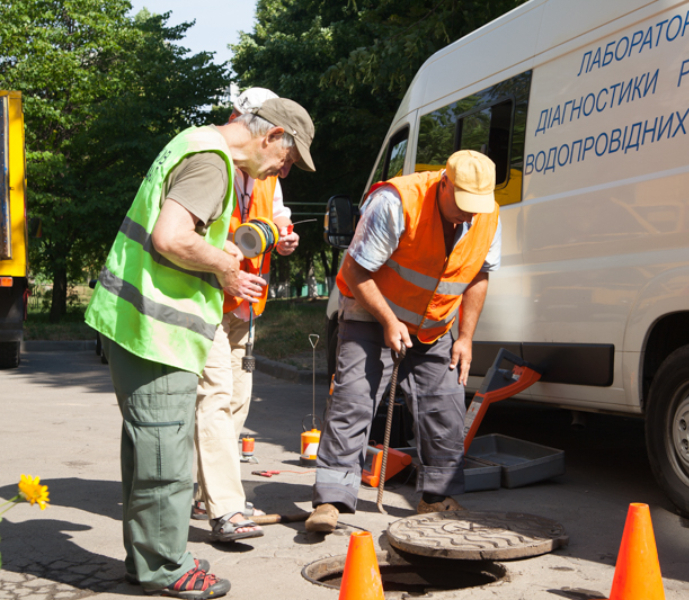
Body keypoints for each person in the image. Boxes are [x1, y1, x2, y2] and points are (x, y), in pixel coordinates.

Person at [85, 97, 315, 596]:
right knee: (165, 456)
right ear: (272, 135)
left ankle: (148, 560)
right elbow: (171, 237)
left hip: (139, 325)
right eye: (288, 158)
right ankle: (165, 567)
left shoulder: (196, 144)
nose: (284, 169)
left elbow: (174, 235)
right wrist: (225, 265)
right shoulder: (212, 162)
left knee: (149, 451)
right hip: (156, 332)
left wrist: (217, 254)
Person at [305, 150, 501, 533]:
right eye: (462, 205)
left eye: (475, 207)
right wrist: (390, 321)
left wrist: (465, 336)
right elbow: (355, 270)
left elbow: (478, 275)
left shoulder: (489, 214)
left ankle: (435, 498)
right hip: (371, 310)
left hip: (434, 324)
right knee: (354, 401)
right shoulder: (395, 202)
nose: (468, 215)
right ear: (443, 182)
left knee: (443, 407)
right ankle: (331, 499)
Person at [191, 87, 303, 542]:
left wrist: (286, 236)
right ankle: (226, 508)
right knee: (215, 395)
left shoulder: (269, 174)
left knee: (237, 398)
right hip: (210, 299)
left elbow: (277, 220)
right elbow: (189, 232)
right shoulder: (213, 163)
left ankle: (209, 493)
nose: (284, 165)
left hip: (247, 302)